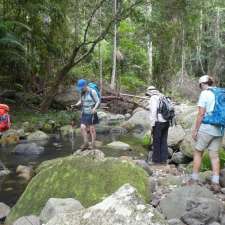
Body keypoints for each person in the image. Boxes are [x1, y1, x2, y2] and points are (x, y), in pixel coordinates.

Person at [189, 75, 224, 192]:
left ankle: (194, 179)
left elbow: (201, 114)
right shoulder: (219, 92)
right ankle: (215, 183)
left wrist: (195, 130)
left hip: (207, 128)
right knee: (214, 156)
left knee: (198, 152)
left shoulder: (205, 93)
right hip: (219, 129)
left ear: (202, 84)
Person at [146, 86, 170, 164]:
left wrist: (152, 125)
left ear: (149, 92)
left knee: (156, 142)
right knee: (163, 140)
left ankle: (156, 160)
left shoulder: (153, 98)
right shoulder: (162, 96)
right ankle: (164, 160)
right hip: (166, 122)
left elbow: (153, 112)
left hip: (158, 122)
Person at [75, 79, 100, 150]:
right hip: (84, 112)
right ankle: (86, 143)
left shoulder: (93, 92)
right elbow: (81, 100)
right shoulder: (82, 92)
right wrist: (76, 105)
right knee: (82, 127)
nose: (81, 89)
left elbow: (98, 101)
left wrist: (95, 108)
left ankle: (92, 144)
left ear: (85, 85)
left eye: (82, 87)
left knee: (92, 129)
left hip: (92, 112)